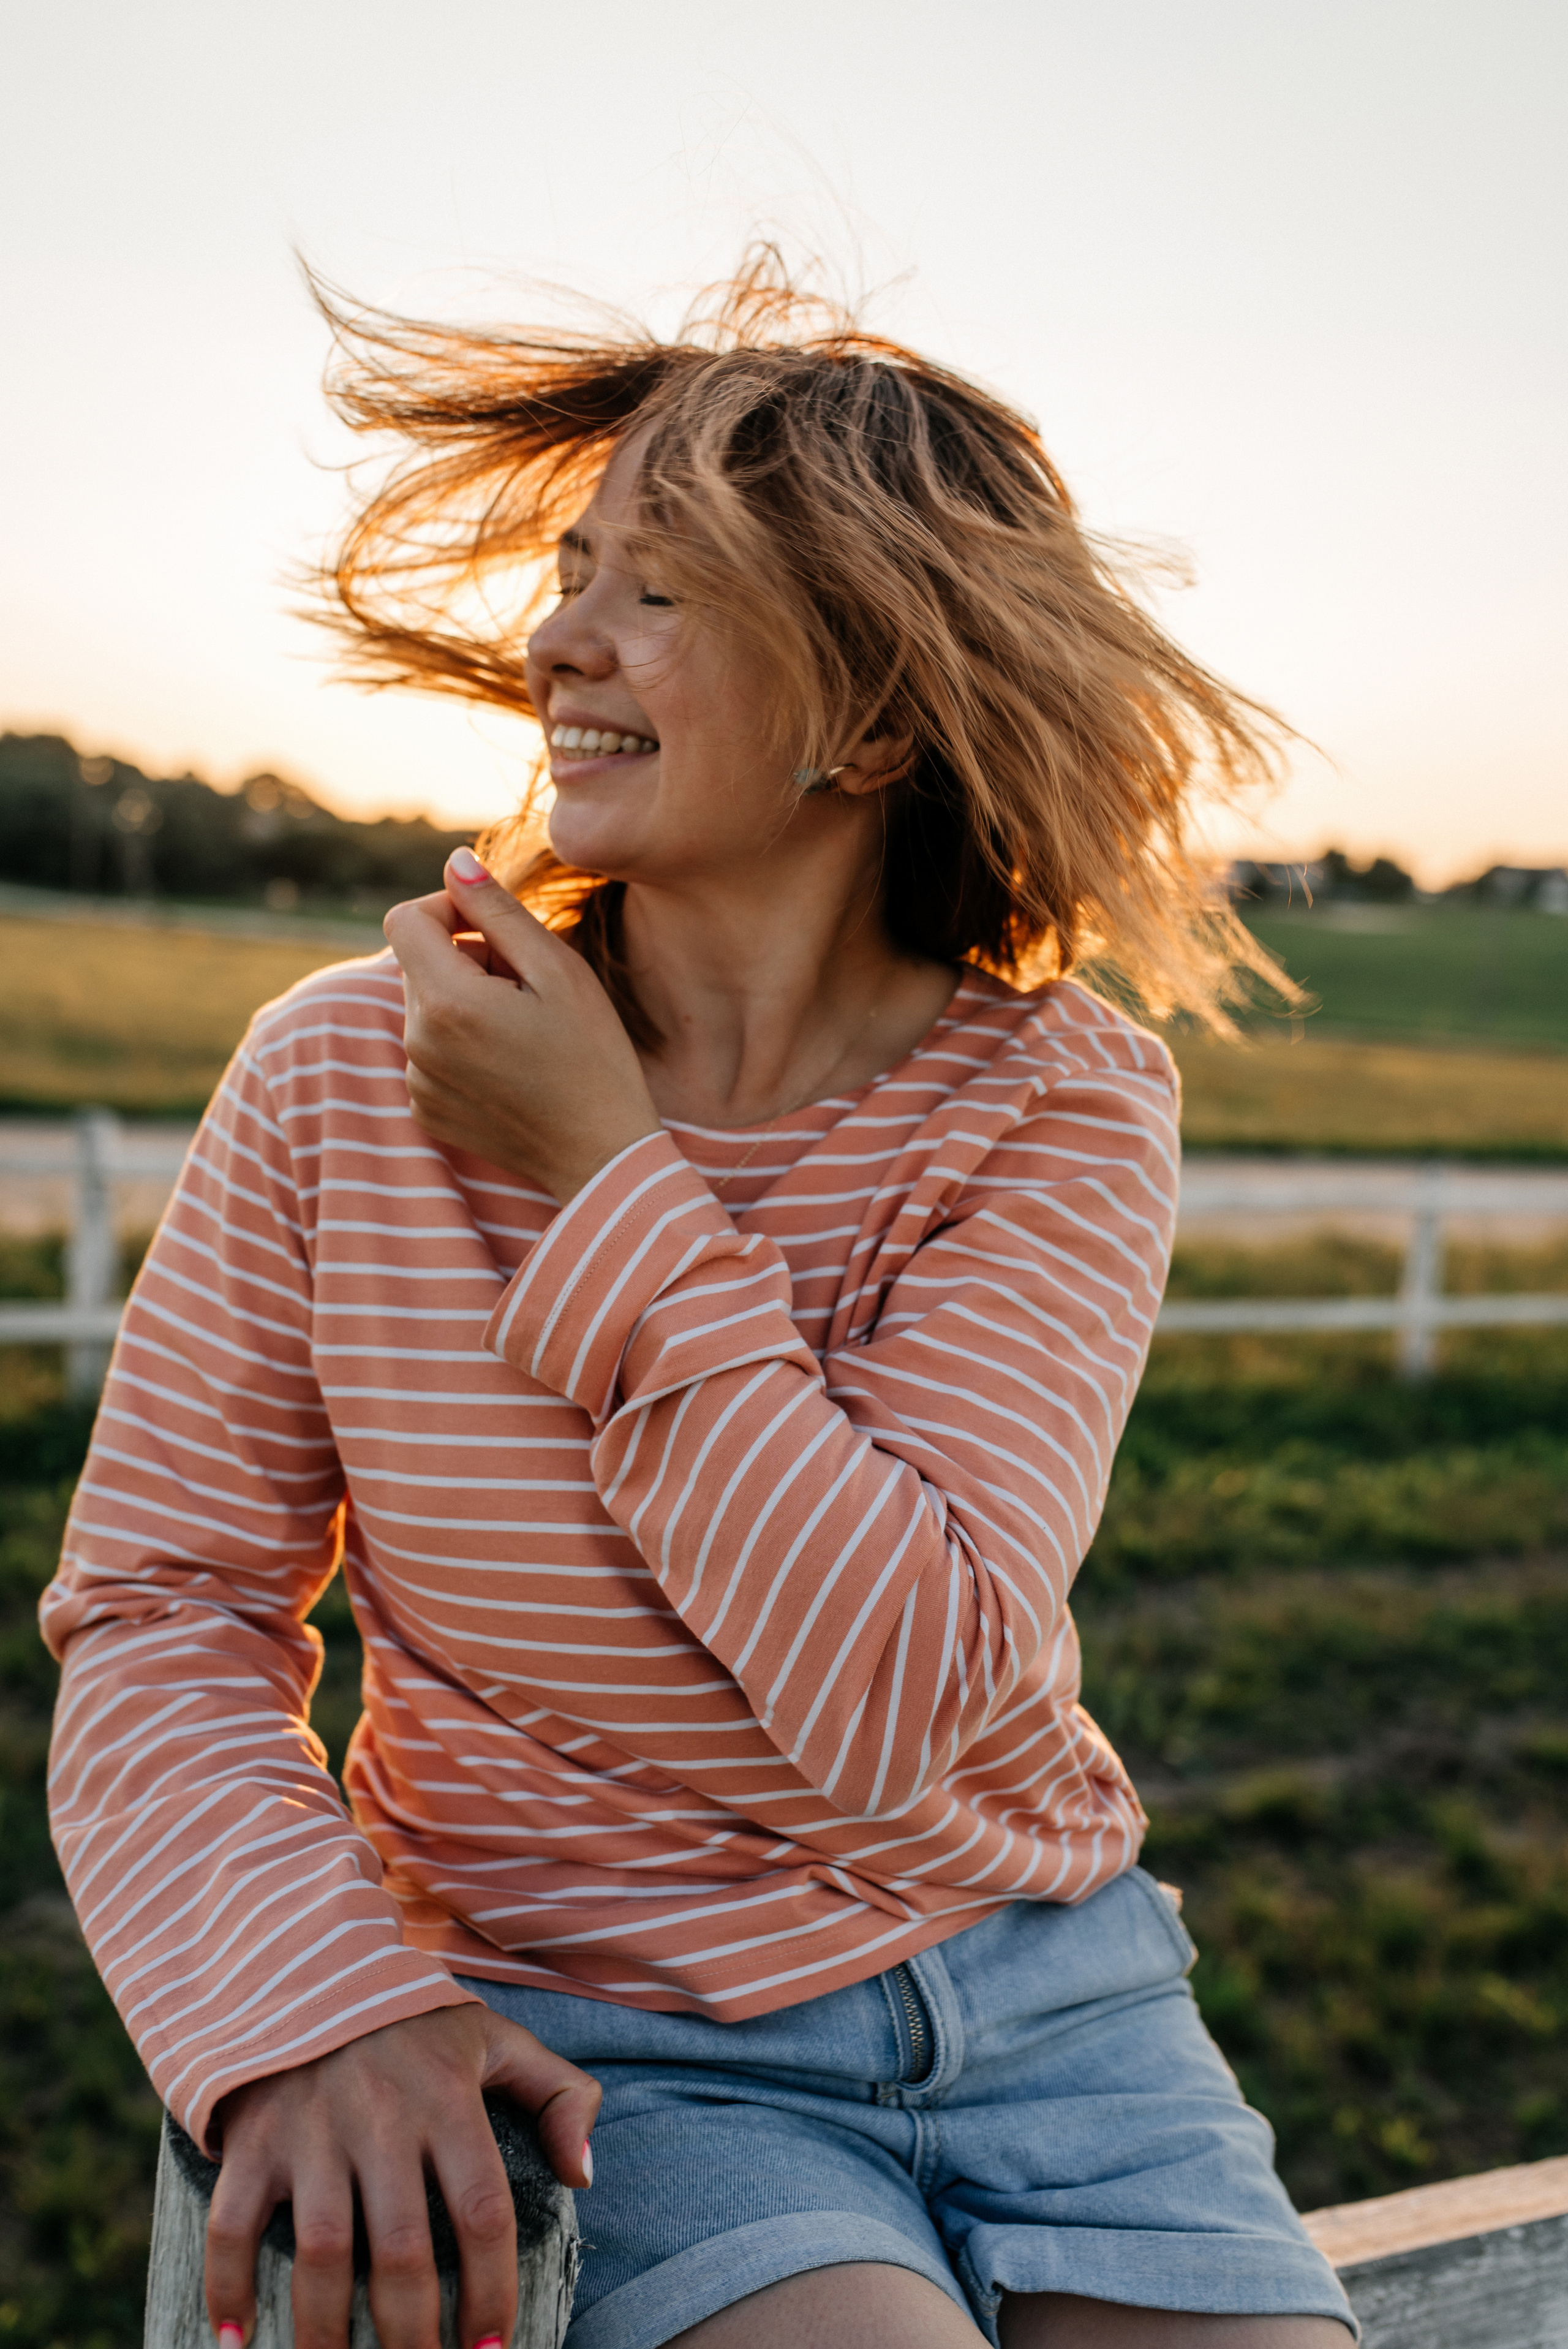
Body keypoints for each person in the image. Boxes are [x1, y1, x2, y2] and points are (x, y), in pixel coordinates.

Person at [42, 257, 1355, 2349]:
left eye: (659, 585)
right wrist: (314, 2001)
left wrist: (599, 1175)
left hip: (1059, 2006)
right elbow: (166, 1608)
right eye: (571, 569)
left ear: (881, 703)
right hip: (610, 2042)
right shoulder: (333, 1076)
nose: (558, 633)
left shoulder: (1063, 1099)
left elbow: (902, 1688)